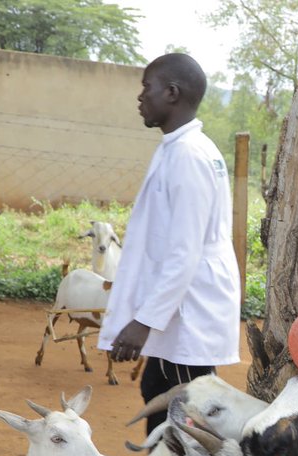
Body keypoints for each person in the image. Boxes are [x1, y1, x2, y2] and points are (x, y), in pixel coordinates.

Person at [99, 52, 240, 433]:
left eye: (147, 88)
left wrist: (143, 322)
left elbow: (185, 252)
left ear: (172, 93)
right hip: (180, 308)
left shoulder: (189, 156)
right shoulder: (177, 148)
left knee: (178, 412)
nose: (140, 97)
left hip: (189, 309)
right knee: (161, 395)